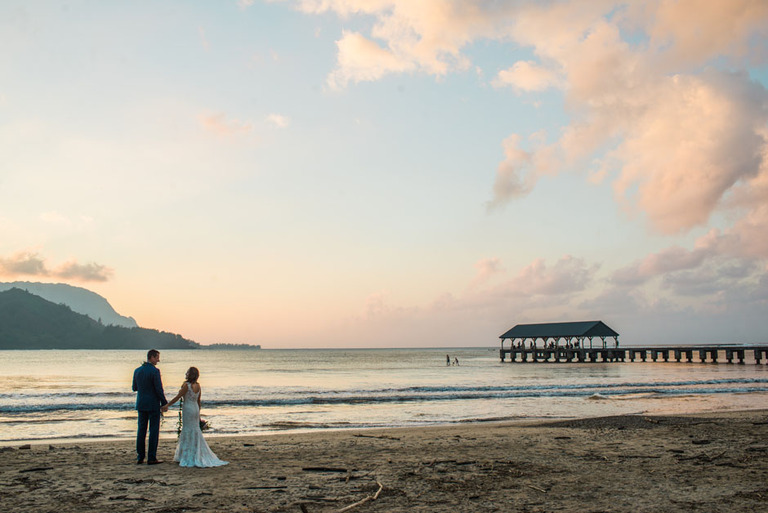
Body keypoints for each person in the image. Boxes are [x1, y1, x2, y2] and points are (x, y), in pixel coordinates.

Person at [166, 367, 228, 468]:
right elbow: (199, 401)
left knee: (187, 430)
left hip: (188, 409)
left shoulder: (187, 386)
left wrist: (167, 405)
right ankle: (195, 452)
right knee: (195, 430)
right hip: (195, 408)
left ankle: (187, 454)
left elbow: (178, 397)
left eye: (187, 372)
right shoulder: (198, 386)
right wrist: (198, 413)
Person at [132, 349, 169, 465]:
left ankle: (140, 456)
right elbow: (159, 389)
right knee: (153, 430)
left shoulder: (137, 371)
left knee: (141, 430)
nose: (158, 360)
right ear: (152, 357)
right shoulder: (154, 371)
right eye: (157, 357)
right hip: (153, 404)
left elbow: (134, 388)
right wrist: (164, 403)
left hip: (141, 403)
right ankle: (151, 457)